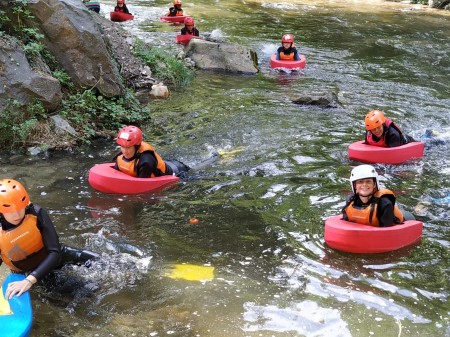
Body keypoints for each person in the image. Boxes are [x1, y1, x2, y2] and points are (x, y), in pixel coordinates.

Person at [0, 179, 99, 300]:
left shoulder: (36, 213)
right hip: (31, 272)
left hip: (55, 257)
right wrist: (28, 280)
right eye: (10, 211)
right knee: (84, 292)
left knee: (99, 261)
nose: (17, 215)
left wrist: (29, 281)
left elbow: (55, 251)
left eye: (20, 208)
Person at [342, 165, 415, 227]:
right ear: (354, 186)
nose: (364, 185)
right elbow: (346, 224)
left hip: (405, 220)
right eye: (360, 182)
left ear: (374, 184)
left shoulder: (384, 203)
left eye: (368, 181)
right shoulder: (350, 201)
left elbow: (387, 231)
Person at [114, 125, 190, 178]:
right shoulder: (120, 156)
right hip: (166, 163)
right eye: (122, 147)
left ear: (136, 146)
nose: (124, 151)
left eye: (128, 147)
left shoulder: (146, 161)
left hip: (177, 170)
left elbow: (141, 186)